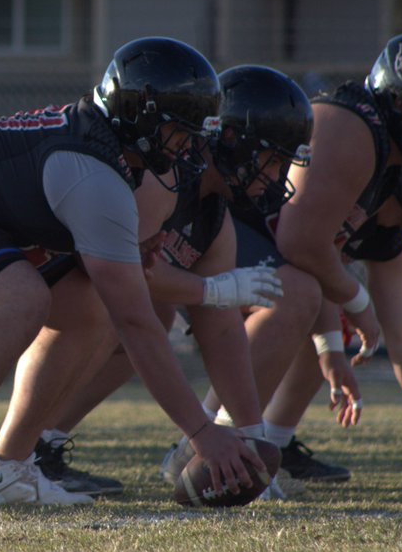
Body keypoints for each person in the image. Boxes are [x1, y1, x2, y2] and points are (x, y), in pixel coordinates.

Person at [0, 37, 267, 505]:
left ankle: (8, 468)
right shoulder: (96, 175)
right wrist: (201, 431)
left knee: (87, 305)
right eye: (181, 132)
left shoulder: (113, 156)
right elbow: (136, 323)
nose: (189, 147)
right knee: (20, 297)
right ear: (142, 117)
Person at [178, 33, 402, 488]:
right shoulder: (357, 128)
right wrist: (358, 303)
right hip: (224, 225)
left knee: (318, 313)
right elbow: (301, 243)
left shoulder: (385, 195)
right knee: (299, 297)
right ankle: (218, 446)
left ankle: (261, 443)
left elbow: (401, 329)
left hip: (266, 247)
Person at [33, 65, 313, 497]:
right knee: (119, 313)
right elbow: (119, 276)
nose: (277, 178)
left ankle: (41, 445)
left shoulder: (215, 217)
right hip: (32, 276)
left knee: (147, 319)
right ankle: (24, 450)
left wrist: (251, 433)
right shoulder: (164, 181)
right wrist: (214, 290)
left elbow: (221, 331)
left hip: (67, 291)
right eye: (273, 160)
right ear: (234, 141)